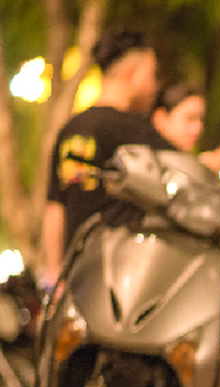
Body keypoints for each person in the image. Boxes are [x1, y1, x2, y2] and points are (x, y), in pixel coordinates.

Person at [42, 29, 172, 285]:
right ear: (130, 74)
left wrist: (55, 273)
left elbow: (55, 207)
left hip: (77, 278)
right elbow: (185, 169)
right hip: (124, 278)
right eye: (151, 75)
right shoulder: (133, 129)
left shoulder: (71, 128)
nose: (154, 86)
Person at [152, 82, 220, 172]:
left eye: (201, 120)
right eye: (190, 118)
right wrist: (218, 159)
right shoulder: (150, 160)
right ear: (161, 118)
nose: (198, 128)